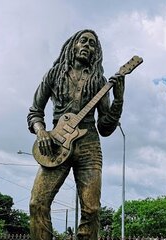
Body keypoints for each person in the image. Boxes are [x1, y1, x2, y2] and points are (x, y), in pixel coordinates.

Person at [27, 29, 125, 240]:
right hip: (56, 144)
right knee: (37, 203)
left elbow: (105, 128)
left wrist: (119, 100)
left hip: (89, 145)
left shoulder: (99, 81)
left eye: (92, 43)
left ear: (95, 52)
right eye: (83, 41)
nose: (87, 46)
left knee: (92, 209)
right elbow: (35, 112)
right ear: (73, 45)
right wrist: (41, 131)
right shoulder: (54, 74)